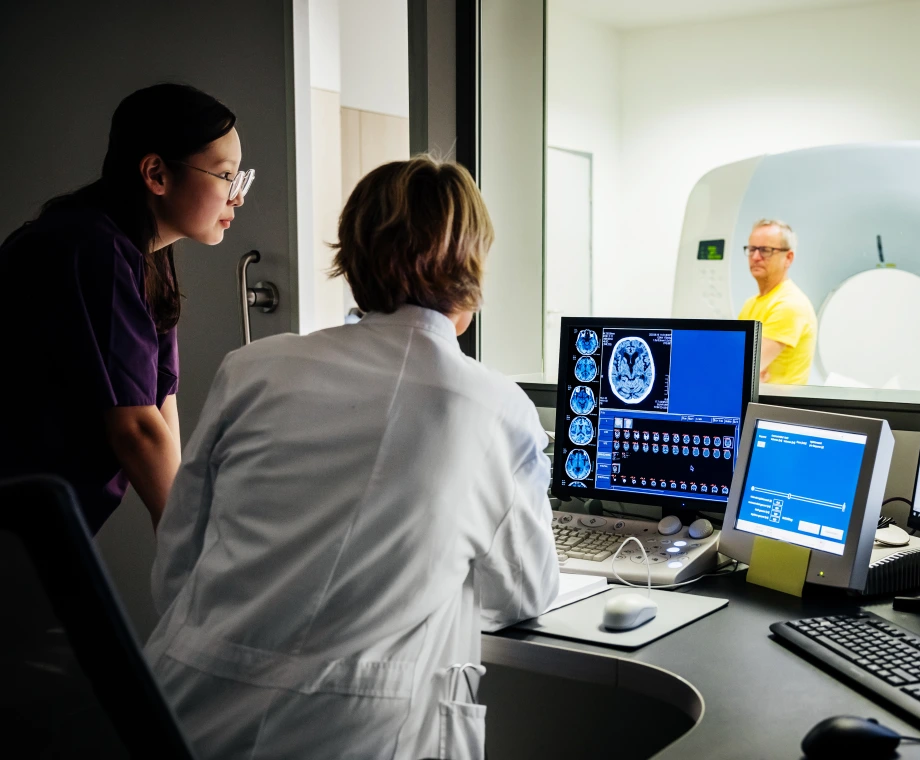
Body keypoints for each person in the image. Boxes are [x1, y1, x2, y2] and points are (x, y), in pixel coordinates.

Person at [144, 156, 560, 760]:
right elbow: (525, 592)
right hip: (353, 737)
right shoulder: (491, 407)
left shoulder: (253, 369)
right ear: (470, 268)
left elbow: (177, 564)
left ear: (355, 257)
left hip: (178, 716)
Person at [0, 83, 252, 533]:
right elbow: (135, 429)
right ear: (156, 174)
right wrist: (188, 548)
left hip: (45, 514)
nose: (238, 197)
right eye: (227, 177)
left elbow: (158, 402)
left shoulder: (146, 254)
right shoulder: (91, 247)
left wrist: (184, 522)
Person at [737, 219, 818, 385]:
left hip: (778, 409)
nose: (756, 257)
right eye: (752, 249)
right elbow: (735, 366)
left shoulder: (790, 305)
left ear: (788, 257)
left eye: (765, 250)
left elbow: (739, 373)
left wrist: (743, 372)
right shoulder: (750, 304)